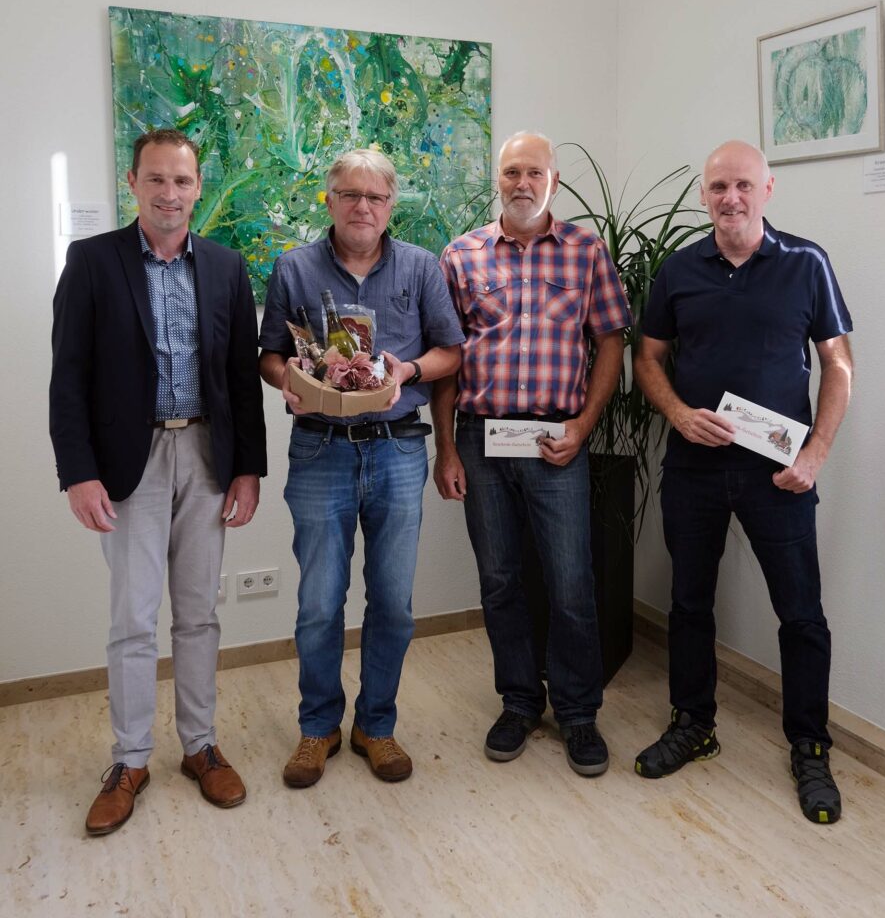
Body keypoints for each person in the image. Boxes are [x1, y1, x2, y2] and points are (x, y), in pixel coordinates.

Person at [50, 128, 267, 835]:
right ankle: (131, 760)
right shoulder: (92, 261)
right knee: (133, 620)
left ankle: (200, 746)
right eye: (156, 179)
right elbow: (68, 378)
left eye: (181, 180)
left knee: (199, 614)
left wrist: (247, 469)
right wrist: (78, 473)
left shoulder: (226, 266)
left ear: (198, 187)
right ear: (133, 183)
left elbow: (240, 380)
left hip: (206, 454)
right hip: (127, 463)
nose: (169, 193)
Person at [632, 140, 854, 825]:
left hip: (778, 475)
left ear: (767, 190)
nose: (730, 198)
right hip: (694, 471)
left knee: (801, 614)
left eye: (743, 185)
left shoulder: (806, 263)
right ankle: (693, 724)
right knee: (689, 605)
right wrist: (676, 413)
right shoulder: (678, 269)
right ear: (704, 194)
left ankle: (809, 747)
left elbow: (838, 365)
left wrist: (815, 454)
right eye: (718, 186)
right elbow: (647, 358)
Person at [259, 148, 463, 786]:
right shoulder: (294, 268)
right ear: (330, 200)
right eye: (350, 194)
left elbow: (452, 353)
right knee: (320, 603)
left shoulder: (421, 267)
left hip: (397, 448)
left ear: (391, 205)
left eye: (375, 197)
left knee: (394, 603)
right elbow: (268, 355)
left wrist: (410, 369)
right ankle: (318, 726)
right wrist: (289, 380)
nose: (362, 207)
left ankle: (376, 725)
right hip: (319, 448)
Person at [431, 131, 631, 777]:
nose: (522, 183)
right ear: (498, 179)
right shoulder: (460, 256)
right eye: (512, 171)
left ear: (554, 180)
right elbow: (447, 359)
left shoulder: (585, 252)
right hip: (480, 440)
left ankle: (577, 712)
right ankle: (518, 702)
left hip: (556, 440)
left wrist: (584, 425)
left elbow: (610, 341)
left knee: (571, 583)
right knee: (500, 581)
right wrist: (445, 448)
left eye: (534, 173)